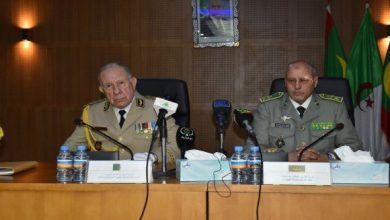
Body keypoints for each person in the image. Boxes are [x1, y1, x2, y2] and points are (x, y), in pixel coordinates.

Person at [64, 62, 181, 162]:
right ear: (102, 90)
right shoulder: (92, 112)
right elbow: (70, 148)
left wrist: (153, 157)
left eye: (121, 83)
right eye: (109, 86)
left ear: (133, 83)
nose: (116, 91)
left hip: (146, 179)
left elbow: (175, 147)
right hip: (104, 180)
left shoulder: (159, 109)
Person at [251, 60, 363, 161]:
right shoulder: (267, 107)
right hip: (281, 176)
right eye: (291, 80)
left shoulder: (334, 107)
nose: (297, 86)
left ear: (315, 81)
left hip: (325, 174)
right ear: (285, 83)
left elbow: (354, 146)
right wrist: (287, 156)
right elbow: (252, 150)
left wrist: (326, 157)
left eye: (303, 81)